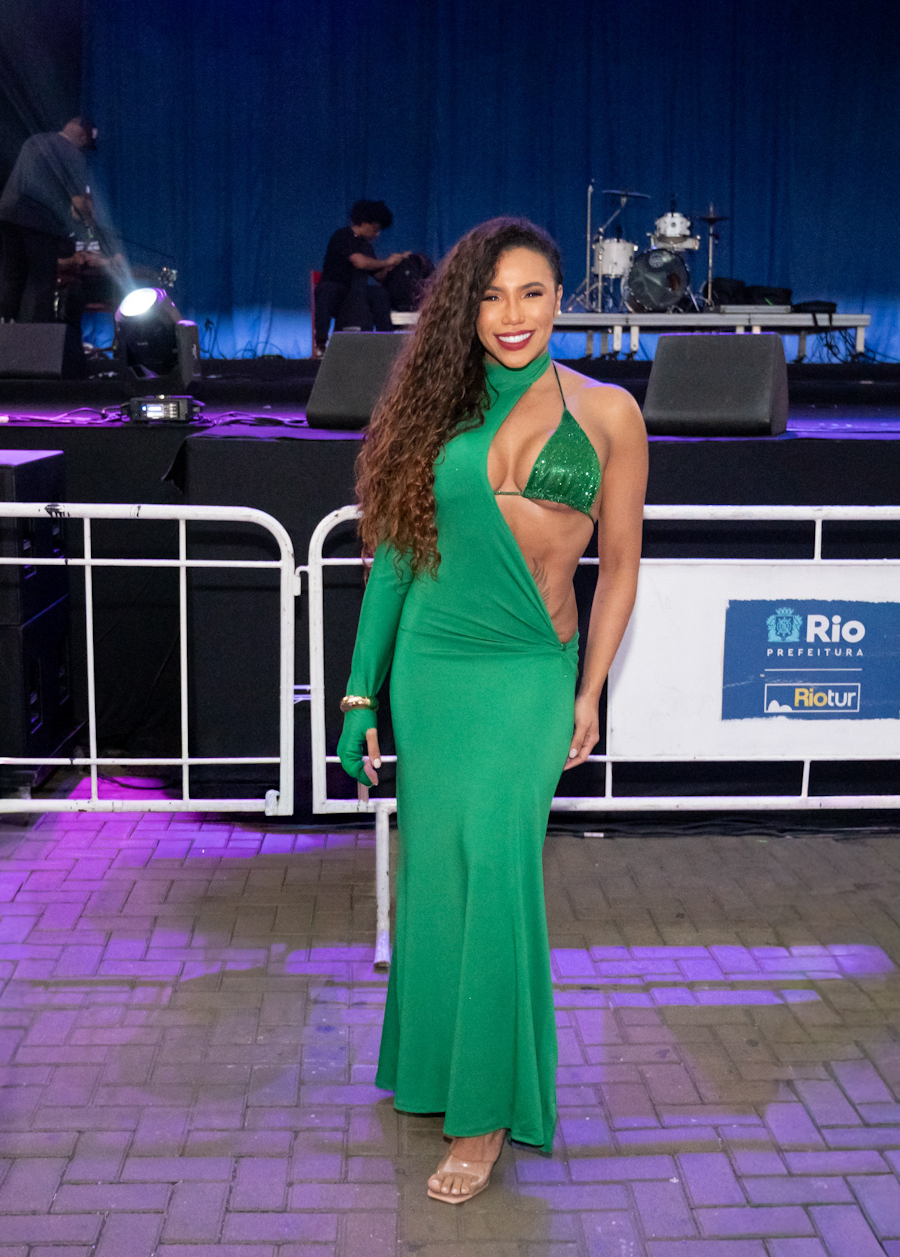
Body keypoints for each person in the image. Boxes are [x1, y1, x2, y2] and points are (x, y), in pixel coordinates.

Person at [335, 218, 647, 1203]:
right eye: (490, 296)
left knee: (498, 868)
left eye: (531, 293)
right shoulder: (436, 405)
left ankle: (483, 1113)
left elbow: (621, 566)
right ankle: (431, 1066)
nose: (511, 315)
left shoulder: (608, 412)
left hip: (527, 668)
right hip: (435, 665)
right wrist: (359, 694)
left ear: (561, 300)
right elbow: (395, 557)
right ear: (465, 308)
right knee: (435, 869)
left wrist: (589, 689)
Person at [0, 116, 98, 324]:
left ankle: (5, 329)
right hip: (39, 220)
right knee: (44, 283)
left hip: (9, 214)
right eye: (86, 145)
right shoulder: (73, 154)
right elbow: (78, 204)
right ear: (82, 138)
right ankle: (40, 337)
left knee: (13, 279)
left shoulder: (34, 141)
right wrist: (90, 218)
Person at [317, 201, 428, 338]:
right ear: (364, 223)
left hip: (358, 294)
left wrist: (397, 263)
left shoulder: (366, 246)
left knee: (379, 294)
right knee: (327, 290)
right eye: (375, 229)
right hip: (337, 291)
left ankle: (386, 338)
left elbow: (379, 276)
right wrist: (387, 261)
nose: (377, 234)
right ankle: (321, 341)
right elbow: (360, 262)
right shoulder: (342, 236)